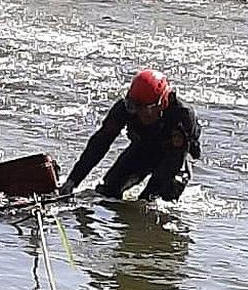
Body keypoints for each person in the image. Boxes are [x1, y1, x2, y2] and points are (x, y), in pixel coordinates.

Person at [59, 69, 202, 201]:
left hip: (175, 157)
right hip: (143, 149)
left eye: (145, 110)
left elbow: (173, 163)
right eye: (134, 107)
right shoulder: (125, 109)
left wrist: (147, 197)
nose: (139, 114)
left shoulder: (182, 117)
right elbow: (101, 142)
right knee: (107, 192)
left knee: (152, 203)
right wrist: (73, 180)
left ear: (161, 103)